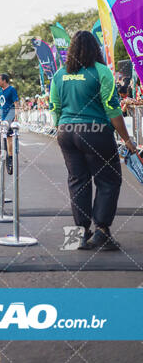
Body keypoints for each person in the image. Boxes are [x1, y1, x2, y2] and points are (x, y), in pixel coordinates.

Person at [50, 30, 136, 251]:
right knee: (108, 180)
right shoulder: (101, 72)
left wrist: (62, 127)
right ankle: (102, 231)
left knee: (77, 180)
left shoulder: (59, 74)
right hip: (95, 131)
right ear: (95, 48)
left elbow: (55, 108)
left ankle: (80, 233)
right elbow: (112, 108)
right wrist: (126, 139)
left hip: (66, 131)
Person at [0, 74, 19, 172]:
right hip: (3, 117)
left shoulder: (11, 90)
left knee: (9, 138)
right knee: (5, 138)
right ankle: (7, 155)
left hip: (10, 116)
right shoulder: (0, 91)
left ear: (4, 80)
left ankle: (10, 158)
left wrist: (16, 116)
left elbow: (16, 103)